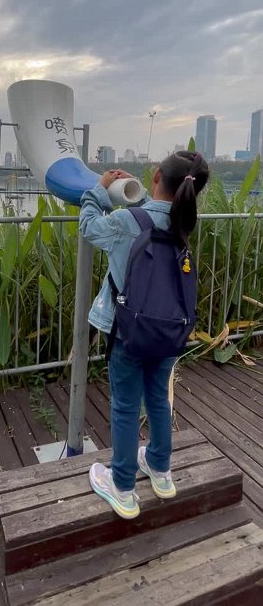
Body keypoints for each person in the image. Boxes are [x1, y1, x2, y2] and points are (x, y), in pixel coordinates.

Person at [79, 151, 209, 519]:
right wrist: (139, 193)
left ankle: (122, 487)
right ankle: (160, 471)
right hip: (169, 331)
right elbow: (155, 214)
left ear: (155, 176)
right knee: (158, 399)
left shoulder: (126, 221)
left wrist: (99, 189)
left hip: (130, 331)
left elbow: (89, 226)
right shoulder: (183, 223)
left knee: (124, 405)